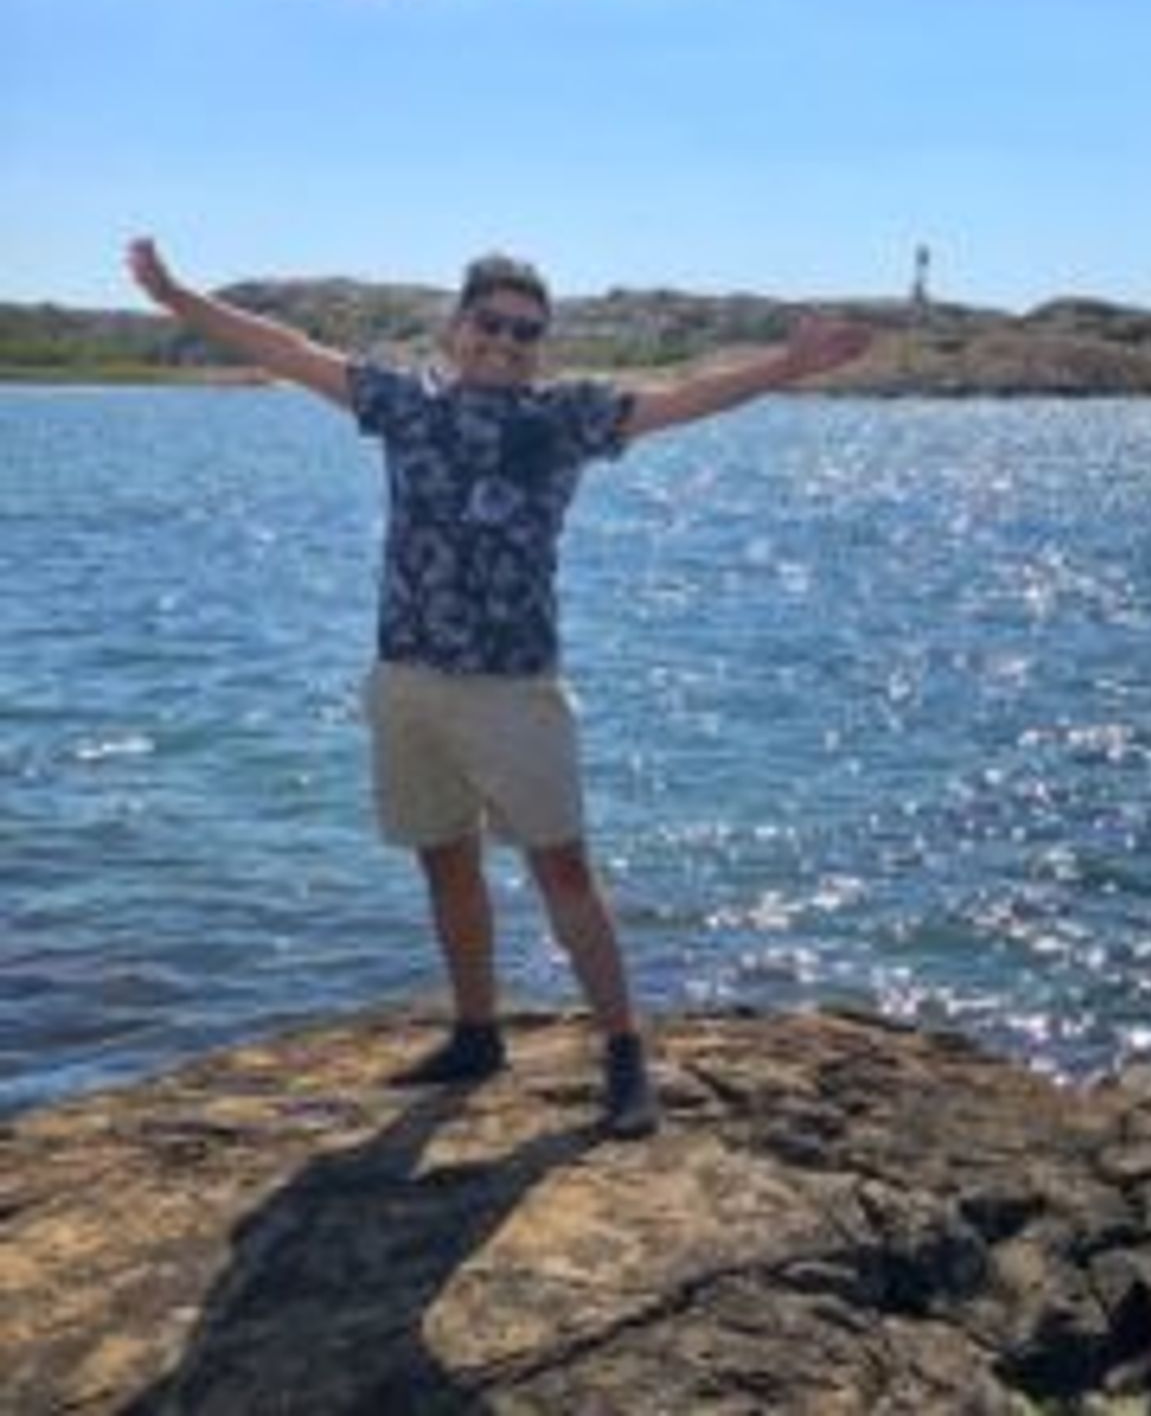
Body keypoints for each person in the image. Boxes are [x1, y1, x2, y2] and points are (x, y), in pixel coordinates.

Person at [125, 238, 872, 1136]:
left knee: (562, 868)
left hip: (515, 688)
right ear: (456, 327)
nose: (508, 341)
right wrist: (176, 297)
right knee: (444, 859)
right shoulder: (403, 405)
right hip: (408, 679)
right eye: (492, 323)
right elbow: (285, 349)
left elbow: (682, 402)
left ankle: (625, 1052)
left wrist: (787, 365)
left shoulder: (564, 420)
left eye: (527, 331)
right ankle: (476, 1032)